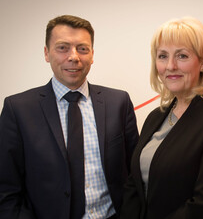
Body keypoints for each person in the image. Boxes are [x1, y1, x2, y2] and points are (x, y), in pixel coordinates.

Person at [0, 15, 139, 219]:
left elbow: (134, 174)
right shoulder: (18, 109)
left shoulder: (119, 102)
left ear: (92, 55)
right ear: (47, 53)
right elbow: (6, 189)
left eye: (82, 48)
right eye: (62, 47)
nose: (74, 56)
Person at [120, 17, 203, 219]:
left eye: (182, 56)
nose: (170, 65)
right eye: (162, 56)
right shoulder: (156, 116)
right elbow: (133, 185)